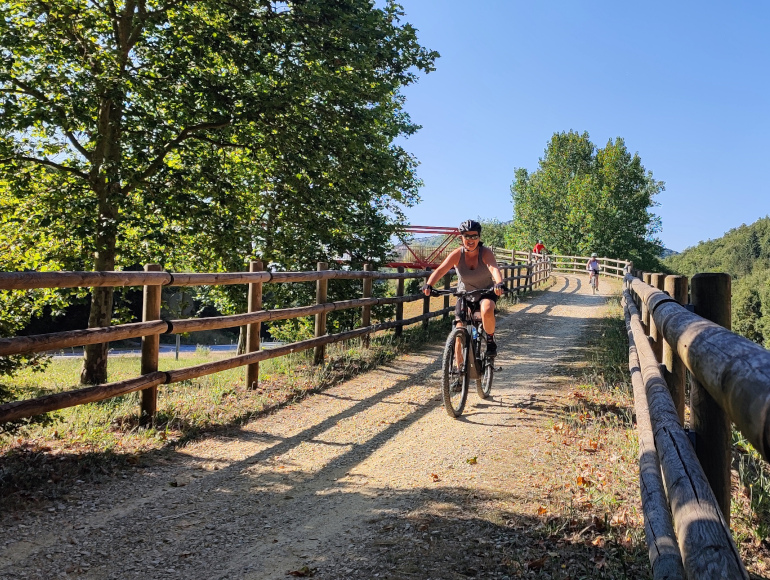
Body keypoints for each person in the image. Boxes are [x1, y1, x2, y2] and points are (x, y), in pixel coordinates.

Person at [422, 219, 505, 356]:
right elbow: (441, 270)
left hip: (486, 292)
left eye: (474, 236)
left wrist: (499, 283)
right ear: (462, 237)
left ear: (479, 237)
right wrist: (429, 284)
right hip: (464, 294)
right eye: (467, 236)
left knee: (487, 308)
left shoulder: (485, 253)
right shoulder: (457, 254)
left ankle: (490, 340)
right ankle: (458, 371)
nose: (471, 239)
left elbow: (494, 268)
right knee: (459, 333)